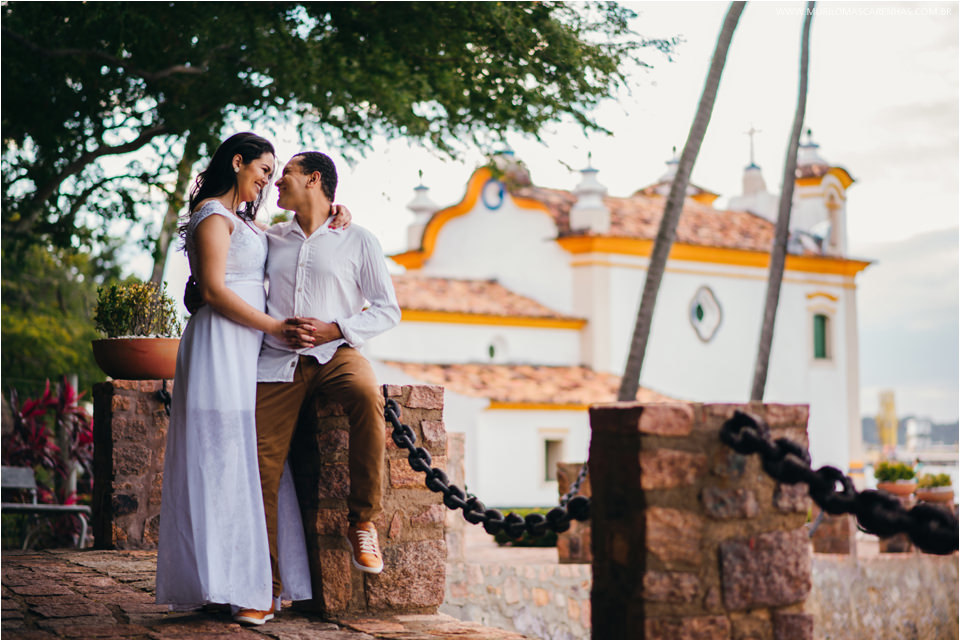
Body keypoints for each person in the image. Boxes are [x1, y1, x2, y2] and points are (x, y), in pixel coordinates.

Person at [155, 133, 349, 624]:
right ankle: (222, 582)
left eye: (274, 173)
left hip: (251, 353)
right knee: (217, 457)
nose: (268, 180)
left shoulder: (244, 222)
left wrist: (338, 214)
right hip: (221, 346)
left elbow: (291, 235)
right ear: (237, 162)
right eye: (263, 170)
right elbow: (215, 291)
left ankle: (252, 580)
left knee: (247, 457)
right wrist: (275, 327)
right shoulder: (210, 216)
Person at [249, 151, 400, 618]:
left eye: (286, 175)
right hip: (278, 363)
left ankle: (363, 522)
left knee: (365, 395)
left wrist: (336, 329)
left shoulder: (358, 240)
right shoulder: (269, 239)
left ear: (315, 179)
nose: (277, 184)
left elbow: (386, 309)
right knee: (258, 464)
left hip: (338, 355)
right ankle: (264, 588)